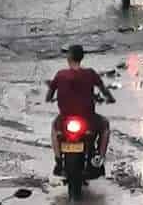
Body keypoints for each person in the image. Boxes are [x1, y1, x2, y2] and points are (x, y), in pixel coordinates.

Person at [46, 44, 115, 177]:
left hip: (65, 118)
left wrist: (50, 98)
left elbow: (50, 94)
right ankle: (99, 158)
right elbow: (103, 89)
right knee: (105, 126)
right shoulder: (90, 73)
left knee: (54, 128)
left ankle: (58, 160)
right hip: (88, 118)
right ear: (82, 57)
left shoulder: (60, 74)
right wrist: (110, 98)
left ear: (69, 58)